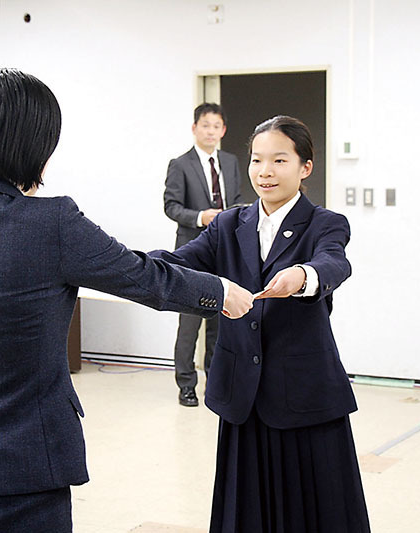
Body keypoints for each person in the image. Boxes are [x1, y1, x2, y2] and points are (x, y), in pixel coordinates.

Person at [0, 68, 254, 532]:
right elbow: (142, 277)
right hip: (22, 470)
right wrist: (222, 291)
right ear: (31, 144)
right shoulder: (52, 222)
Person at [152, 116, 370, 532]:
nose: (264, 172)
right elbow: (178, 262)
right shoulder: (229, 225)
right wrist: (129, 266)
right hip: (243, 398)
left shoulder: (326, 223)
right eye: (256, 161)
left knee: (318, 511)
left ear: (306, 167)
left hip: (306, 396)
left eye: (279, 160)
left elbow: (333, 262)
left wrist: (303, 276)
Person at [163, 103, 243, 406]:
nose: (211, 131)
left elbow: (236, 201)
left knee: (220, 317)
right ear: (195, 128)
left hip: (225, 249)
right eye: (205, 125)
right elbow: (171, 206)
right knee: (190, 321)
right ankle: (186, 384)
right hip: (192, 250)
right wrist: (201, 217)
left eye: (217, 126)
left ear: (223, 131)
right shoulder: (180, 164)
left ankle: (215, 377)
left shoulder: (231, 162)